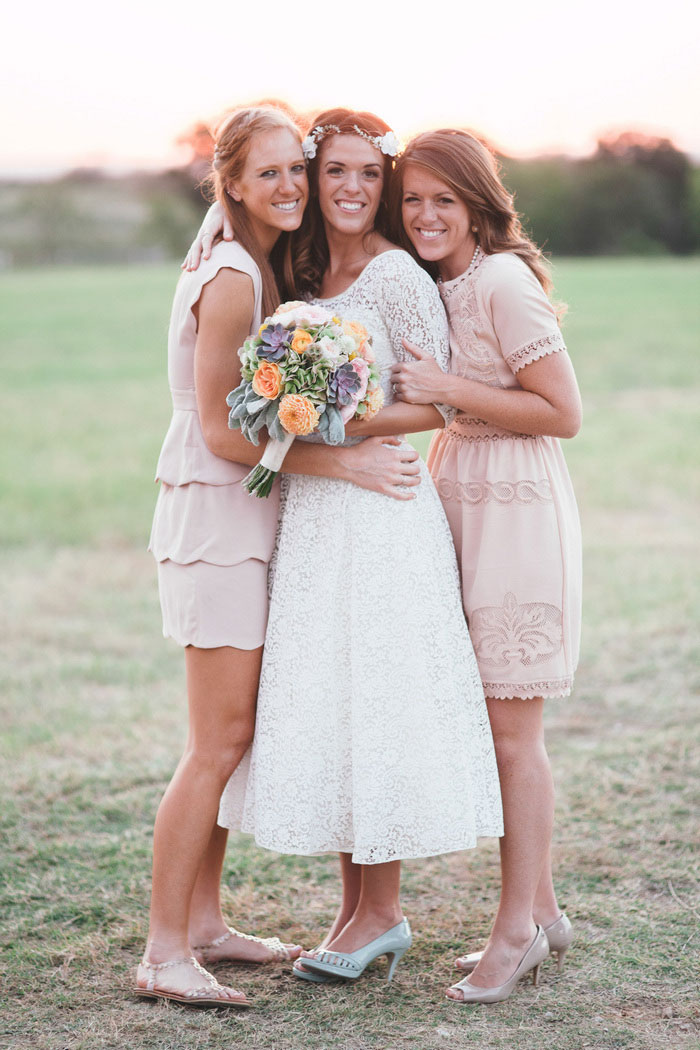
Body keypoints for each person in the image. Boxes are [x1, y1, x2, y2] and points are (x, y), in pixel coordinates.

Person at [138, 105, 423, 1009]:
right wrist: (340, 457)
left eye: (295, 169)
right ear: (232, 185)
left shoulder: (254, 260)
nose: (294, 188)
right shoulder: (231, 276)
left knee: (233, 739)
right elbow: (223, 432)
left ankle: (208, 924)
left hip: (244, 521)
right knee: (214, 744)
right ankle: (162, 950)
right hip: (216, 525)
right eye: (271, 175)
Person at [216, 109, 503, 987]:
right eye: (330, 171)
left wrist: (326, 416)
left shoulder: (395, 276)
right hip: (316, 516)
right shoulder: (299, 268)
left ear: (383, 182)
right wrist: (295, 412)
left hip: (381, 509)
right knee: (338, 701)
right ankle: (356, 910)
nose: (346, 189)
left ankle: (382, 911)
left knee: (376, 699)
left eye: (365, 175)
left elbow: (438, 401)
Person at [390, 128, 582, 1004]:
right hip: (458, 490)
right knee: (490, 724)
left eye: (444, 200)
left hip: (515, 508)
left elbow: (563, 412)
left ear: (476, 204)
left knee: (514, 734)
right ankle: (542, 912)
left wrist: (447, 387)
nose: (426, 216)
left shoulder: (502, 280)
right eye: (413, 200)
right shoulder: (442, 282)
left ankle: (515, 934)